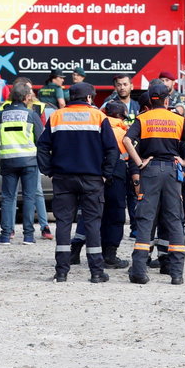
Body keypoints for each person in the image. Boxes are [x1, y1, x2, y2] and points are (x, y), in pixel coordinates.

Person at [124, 82, 185, 285]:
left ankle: (138, 271)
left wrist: (139, 162)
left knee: (145, 219)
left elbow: (127, 140)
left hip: (150, 171)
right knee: (174, 220)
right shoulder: (177, 119)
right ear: (167, 100)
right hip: (172, 171)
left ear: (150, 100)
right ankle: (176, 273)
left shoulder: (143, 118)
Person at [37, 81, 118, 283]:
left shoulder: (56, 116)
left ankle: (62, 272)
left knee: (63, 223)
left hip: (63, 178)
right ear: (89, 98)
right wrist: (105, 173)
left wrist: (48, 170)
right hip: (92, 178)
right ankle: (97, 272)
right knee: (92, 224)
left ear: (71, 97)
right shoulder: (98, 116)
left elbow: (42, 146)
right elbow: (112, 149)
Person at [71, 100, 132, 269]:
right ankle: (109, 255)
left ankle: (75, 250)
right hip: (116, 177)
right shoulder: (123, 132)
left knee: (90, 214)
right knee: (115, 215)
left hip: (93, 175)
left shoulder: (96, 128)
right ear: (121, 116)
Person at [0, 82, 45, 246]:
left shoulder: (2, 115)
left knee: (8, 198)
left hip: (8, 161)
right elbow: (41, 139)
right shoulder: (31, 115)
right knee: (29, 197)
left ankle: (6, 235)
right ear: (27, 97)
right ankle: (29, 236)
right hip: (29, 161)